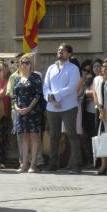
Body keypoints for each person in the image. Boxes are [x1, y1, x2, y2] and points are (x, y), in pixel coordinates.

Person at [42, 43, 82, 174]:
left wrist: (56, 96)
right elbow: (46, 86)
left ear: (69, 54)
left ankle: (76, 164)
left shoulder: (73, 68)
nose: (60, 53)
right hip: (52, 107)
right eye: (59, 50)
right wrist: (51, 98)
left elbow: (71, 87)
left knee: (71, 135)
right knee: (54, 135)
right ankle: (53, 164)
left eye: (63, 51)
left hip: (68, 106)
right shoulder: (51, 68)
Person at [12, 54, 44, 173]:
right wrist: (17, 108)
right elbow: (14, 96)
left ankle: (33, 164)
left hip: (33, 111)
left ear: (31, 65)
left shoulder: (35, 77)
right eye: (22, 62)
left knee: (34, 136)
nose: (24, 65)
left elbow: (38, 95)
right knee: (24, 137)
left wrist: (29, 108)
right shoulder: (17, 79)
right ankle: (24, 164)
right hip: (20, 112)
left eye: (27, 63)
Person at [0, 61, 11, 166]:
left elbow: (1, 95)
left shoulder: (7, 82)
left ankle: (2, 160)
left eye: (0, 70)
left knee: (3, 138)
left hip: (4, 114)